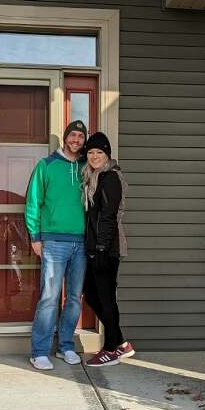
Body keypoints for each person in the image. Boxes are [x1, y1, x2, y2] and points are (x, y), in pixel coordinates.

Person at [24, 120, 89, 370]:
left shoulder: (87, 166)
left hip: (81, 243)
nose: (76, 140)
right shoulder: (46, 165)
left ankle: (65, 347)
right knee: (49, 297)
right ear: (65, 137)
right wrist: (35, 237)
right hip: (53, 242)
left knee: (74, 298)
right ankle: (39, 352)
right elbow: (33, 202)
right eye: (73, 135)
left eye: (81, 136)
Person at [81, 132, 135, 367]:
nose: (94, 156)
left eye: (99, 152)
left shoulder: (110, 178)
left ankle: (111, 349)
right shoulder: (94, 177)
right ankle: (121, 342)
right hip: (96, 248)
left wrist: (101, 248)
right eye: (91, 152)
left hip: (107, 248)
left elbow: (109, 217)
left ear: (107, 155)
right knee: (92, 294)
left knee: (105, 298)